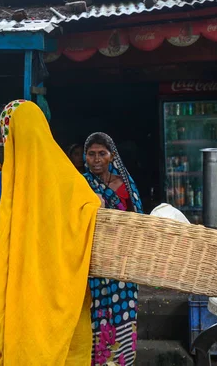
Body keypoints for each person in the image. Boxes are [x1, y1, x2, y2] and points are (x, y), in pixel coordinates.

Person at [0, 100, 101, 365]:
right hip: (66, 291)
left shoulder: (1, 181)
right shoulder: (72, 182)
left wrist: (1, 253)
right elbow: (93, 220)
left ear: (7, 137)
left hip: (22, 293)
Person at [83, 132, 143, 366]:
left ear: (112, 157)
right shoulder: (79, 184)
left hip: (122, 262)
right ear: (85, 157)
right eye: (91, 154)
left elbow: (137, 219)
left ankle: (121, 361)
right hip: (92, 261)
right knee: (94, 314)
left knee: (123, 311)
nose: (96, 159)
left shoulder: (124, 185)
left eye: (102, 154)